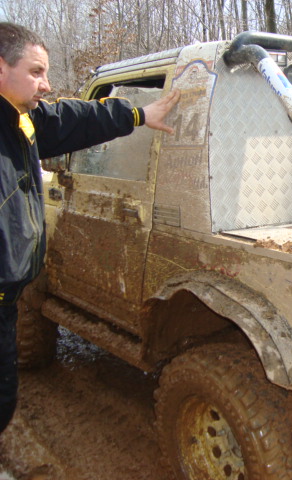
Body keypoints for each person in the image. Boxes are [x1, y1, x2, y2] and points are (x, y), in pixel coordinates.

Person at [0, 22, 180, 434]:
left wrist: (138, 114)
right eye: (36, 72)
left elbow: (72, 119)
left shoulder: (21, 120)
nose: (46, 85)